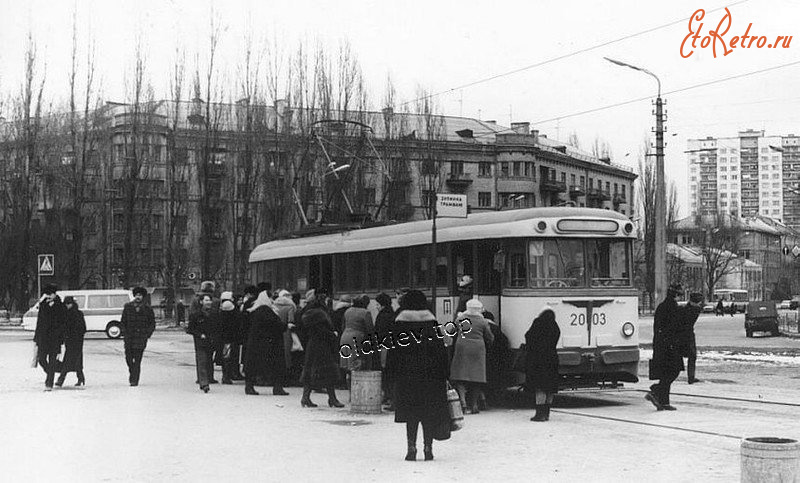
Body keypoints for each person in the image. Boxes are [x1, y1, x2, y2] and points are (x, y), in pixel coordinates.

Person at [387, 290, 451, 461]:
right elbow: (441, 352)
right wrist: (445, 374)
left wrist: (391, 374)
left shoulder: (400, 323)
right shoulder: (431, 322)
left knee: (411, 414)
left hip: (407, 377)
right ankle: (428, 448)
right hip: (430, 377)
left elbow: (393, 352)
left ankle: (411, 448)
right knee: (429, 413)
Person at [299, 289, 343, 408]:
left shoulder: (309, 312)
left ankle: (305, 398)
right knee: (328, 372)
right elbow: (323, 330)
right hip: (323, 346)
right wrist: (332, 334)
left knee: (310, 371)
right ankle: (332, 399)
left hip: (312, 344)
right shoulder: (320, 314)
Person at [450, 298, 494, 414]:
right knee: (477, 378)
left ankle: (463, 404)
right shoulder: (483, 321)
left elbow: (451, 331)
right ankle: (474, 405)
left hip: (462, 347)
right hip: (478, 349)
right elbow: (490, 337)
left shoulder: (460, 319)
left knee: (460, 376)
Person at [243, 286, 289, 396]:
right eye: (270, 298)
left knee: (253, 365)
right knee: (276, 365)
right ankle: (277, 388)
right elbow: (276, 324)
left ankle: (249, 386)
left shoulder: (255, 310)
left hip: (256, 342)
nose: (273, 300)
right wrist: (285, 326)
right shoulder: (266, 310)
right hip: (269, 344)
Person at [647, 283, 685, 411]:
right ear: (675, 295)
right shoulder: (672, 308)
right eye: (679, 295)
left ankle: (663, 401)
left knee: (666, 373)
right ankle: (656, 390)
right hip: (670, 345)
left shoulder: (662, 306)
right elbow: (675, 327)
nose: (680, 298)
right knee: (673, 371)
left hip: (661, 344)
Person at [524, 309, 561, 422]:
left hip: (538, 359)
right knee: (550, 388)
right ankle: (547, 413)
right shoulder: (555, 326)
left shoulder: (538, 323)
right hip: (552, 358)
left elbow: (528, 336)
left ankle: (539, 414)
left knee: (539, 387)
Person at [121, 287, 156, 387]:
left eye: (140, 295)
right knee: (128, 358)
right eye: (136, 295)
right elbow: (123, 321)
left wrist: (147, 334)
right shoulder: (128, 307)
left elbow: (152, 323)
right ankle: (133, 373)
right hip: (129, 337)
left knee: (137, 360)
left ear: (143, 297)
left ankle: (134, 380)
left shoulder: (147, 308)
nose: (138, 297)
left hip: (140, 338)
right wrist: (124, 332)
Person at [34, 284, 67, 391]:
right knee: (42, 359)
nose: (48, 296)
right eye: (47, 294)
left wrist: (61, 338)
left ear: (54, 294)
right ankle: (50, 373)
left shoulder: (60, 306)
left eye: (50, 294)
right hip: (43, 338)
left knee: (52, 360)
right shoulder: (43, 305)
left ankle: (49, 383)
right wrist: (36, 337)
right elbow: (39, 322)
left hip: (55, 338)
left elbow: (63, 324)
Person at [187, 293, 219, 393]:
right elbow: (190, 329)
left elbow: (218, 327)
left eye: (210, 300)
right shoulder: (195, 315)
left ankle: (208, 379)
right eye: (206, 300)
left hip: (211, 341)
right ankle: (204, 383)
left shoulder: (215, 314)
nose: (209, 302)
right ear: (201, 302)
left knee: (209, 361)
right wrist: (199, 334)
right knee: (202, 361)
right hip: (200, 341)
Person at [340, 294, 376, 375]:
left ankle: (348, 381)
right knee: (356, 363)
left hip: (345, 337)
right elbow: (370, 329)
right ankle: (355, 383)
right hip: (358, 338)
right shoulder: (365, 312)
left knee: (347, 362)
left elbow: (343, 326)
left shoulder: (348, 311)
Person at [55, 296, 87, 387]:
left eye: (68, 304)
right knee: (76, 360)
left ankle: (61, 380)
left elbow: (82, 328)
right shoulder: (72, 314)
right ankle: (81, 378)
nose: (67, 306)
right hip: (74, 341)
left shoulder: (72, 314)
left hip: (73, 340)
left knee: (69, 360)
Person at [483, 310, 509, 408]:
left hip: (485, 357)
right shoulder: (496, 328)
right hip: (497, 359)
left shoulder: (481, 327)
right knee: (495, 380)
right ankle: (495, 400)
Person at [374, 292, 396, 410]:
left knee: (385, 370)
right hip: (390, 346)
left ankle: (389, 397)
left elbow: (380, 332)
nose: (376, 306)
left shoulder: (382, 316)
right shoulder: (391, 313)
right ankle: (389, 397)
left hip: (385, 347)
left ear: (382, 304)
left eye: (377, 304)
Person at [273, 289, 299, 385]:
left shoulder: (274, 305)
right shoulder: (290, 307)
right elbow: (291, 320)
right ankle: (286, 377)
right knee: (287, 354)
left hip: (276, 332)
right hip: (286, 333)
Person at [678, 292, 704, 384]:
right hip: (687, 335)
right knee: (692, 356)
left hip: (682, 334)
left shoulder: (685, 308)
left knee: (682, 355)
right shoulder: (695, 310)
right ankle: (691, 377)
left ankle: (690, 377)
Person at [218, 291, 241, 385]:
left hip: (225, 338)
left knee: (227, 357)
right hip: (231, 337)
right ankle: (228, 376)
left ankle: (227, 375)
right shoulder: (230, 306)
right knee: (230, 357)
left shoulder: (222, 308)